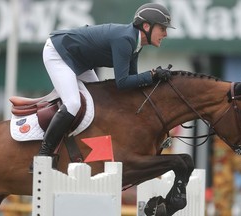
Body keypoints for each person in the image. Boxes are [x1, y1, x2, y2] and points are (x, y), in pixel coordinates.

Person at [33, 3, 175, 166]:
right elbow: (122, 83)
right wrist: (152, 75)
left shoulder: (135, 43)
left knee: (101, 103)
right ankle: (43, 155)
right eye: (162, 28)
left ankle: (86, 150)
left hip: (79, 61)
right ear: (146, 26)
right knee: (73, 103)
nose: (165, 34)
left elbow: (132, 83)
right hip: (58, 53)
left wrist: (154, 78)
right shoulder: (125, 39)